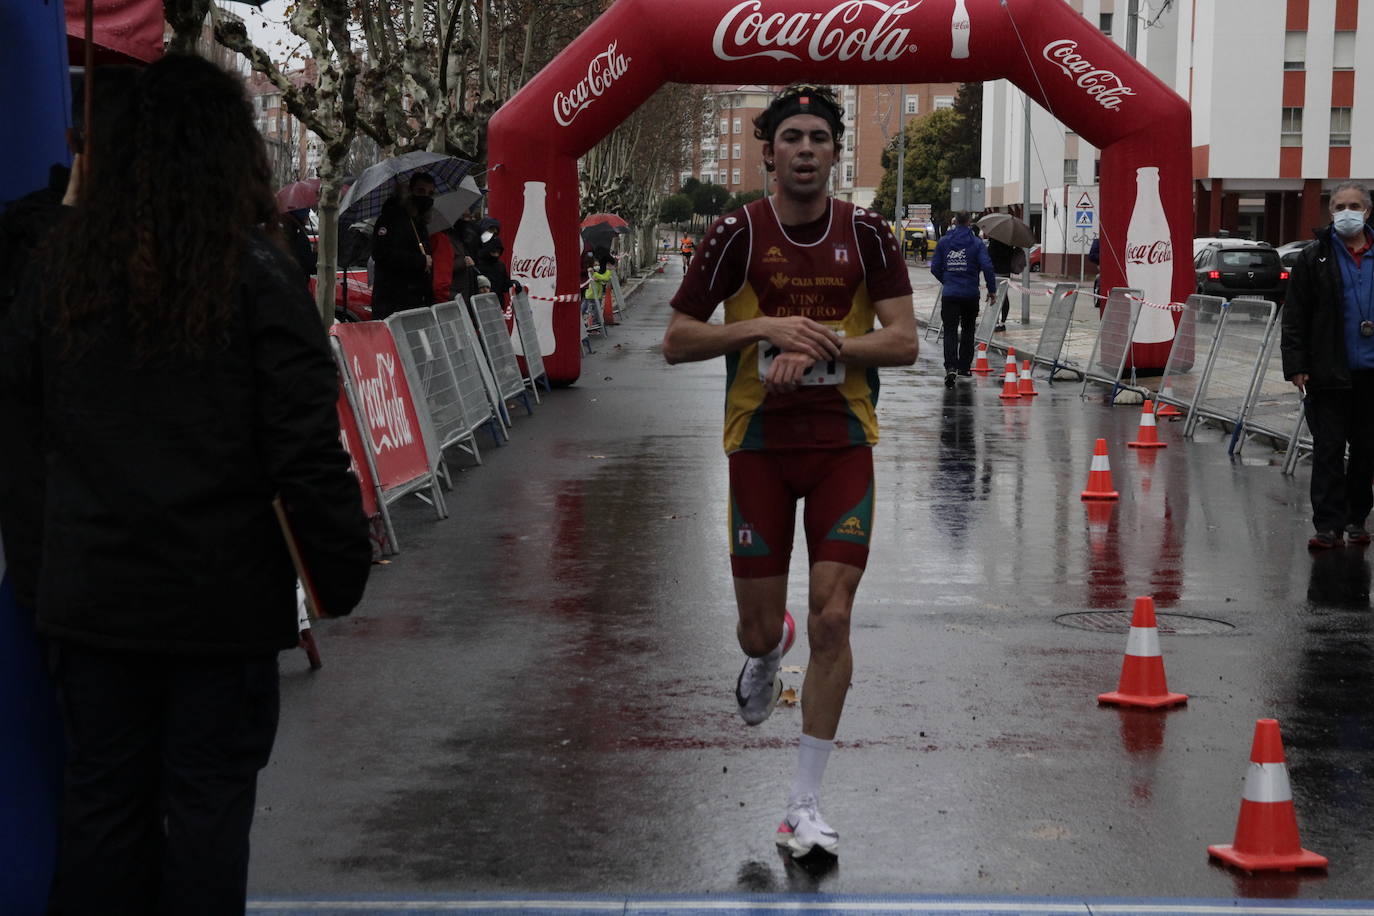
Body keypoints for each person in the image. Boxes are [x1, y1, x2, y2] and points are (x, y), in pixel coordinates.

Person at [0, 54, 372, 914]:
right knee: (206, 820)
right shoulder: (258, 278)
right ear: (231, 158)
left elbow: (20, 425)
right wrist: (339, 568)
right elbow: (304, 449)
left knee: (101, 811)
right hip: (218, 610)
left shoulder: (62, 274)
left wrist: (39, 571)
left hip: (91, 606)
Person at [662, 84, 917, 859]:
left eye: (819, 138)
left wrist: (825, 347)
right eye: (791, 138)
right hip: (760, 446)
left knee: (834, 618)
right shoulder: (736, 233)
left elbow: (903, 340)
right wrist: (767, 327)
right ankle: (766, 650)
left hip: (843, 439)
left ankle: (804, 805)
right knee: (756, 623)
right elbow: (676, 338)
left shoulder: (868, 234)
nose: (806, 149)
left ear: (836, 153)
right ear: (767, 152)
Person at [1281, 180, 1374, 550]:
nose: (1346, 212)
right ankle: (1328, 525)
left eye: (1354, 205)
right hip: (1327, 371)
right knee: (1328, 450)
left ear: (1367, 211)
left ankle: (1356, 519)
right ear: (1331, 211)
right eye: (1339, 206)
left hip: (1370, 373)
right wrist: (1296, 366)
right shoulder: (1314, 256)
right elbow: (1296, 315)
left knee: (1366, 451)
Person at [930, 212, 997, 387]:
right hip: (970, 294)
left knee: (950, 331)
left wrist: (947, 280)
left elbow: (935, 267)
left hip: (950, 294)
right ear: (969, 222)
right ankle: (964, 367)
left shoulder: (944, 242)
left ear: (954, 222)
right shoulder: (976, 243)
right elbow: (987, 267)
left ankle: (950, 366)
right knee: (968, 330)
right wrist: (992, 290)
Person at [370, 171, 436, 320]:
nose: (426, 196)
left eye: (430, 193)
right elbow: (381, 253)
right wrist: (420, 261)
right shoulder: (390, 218)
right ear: (411, 191)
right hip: (394, 304)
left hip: (417, 303)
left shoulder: (419, 222)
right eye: (421, 191)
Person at [986, 235, 1024, 330]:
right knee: (1003, 297)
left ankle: (996, 322)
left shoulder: (994, 242)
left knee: (994, 295)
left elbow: (989, 258)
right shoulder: (1008, 242)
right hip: (1006, 272)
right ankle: (1002, 322)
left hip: (995, 272)